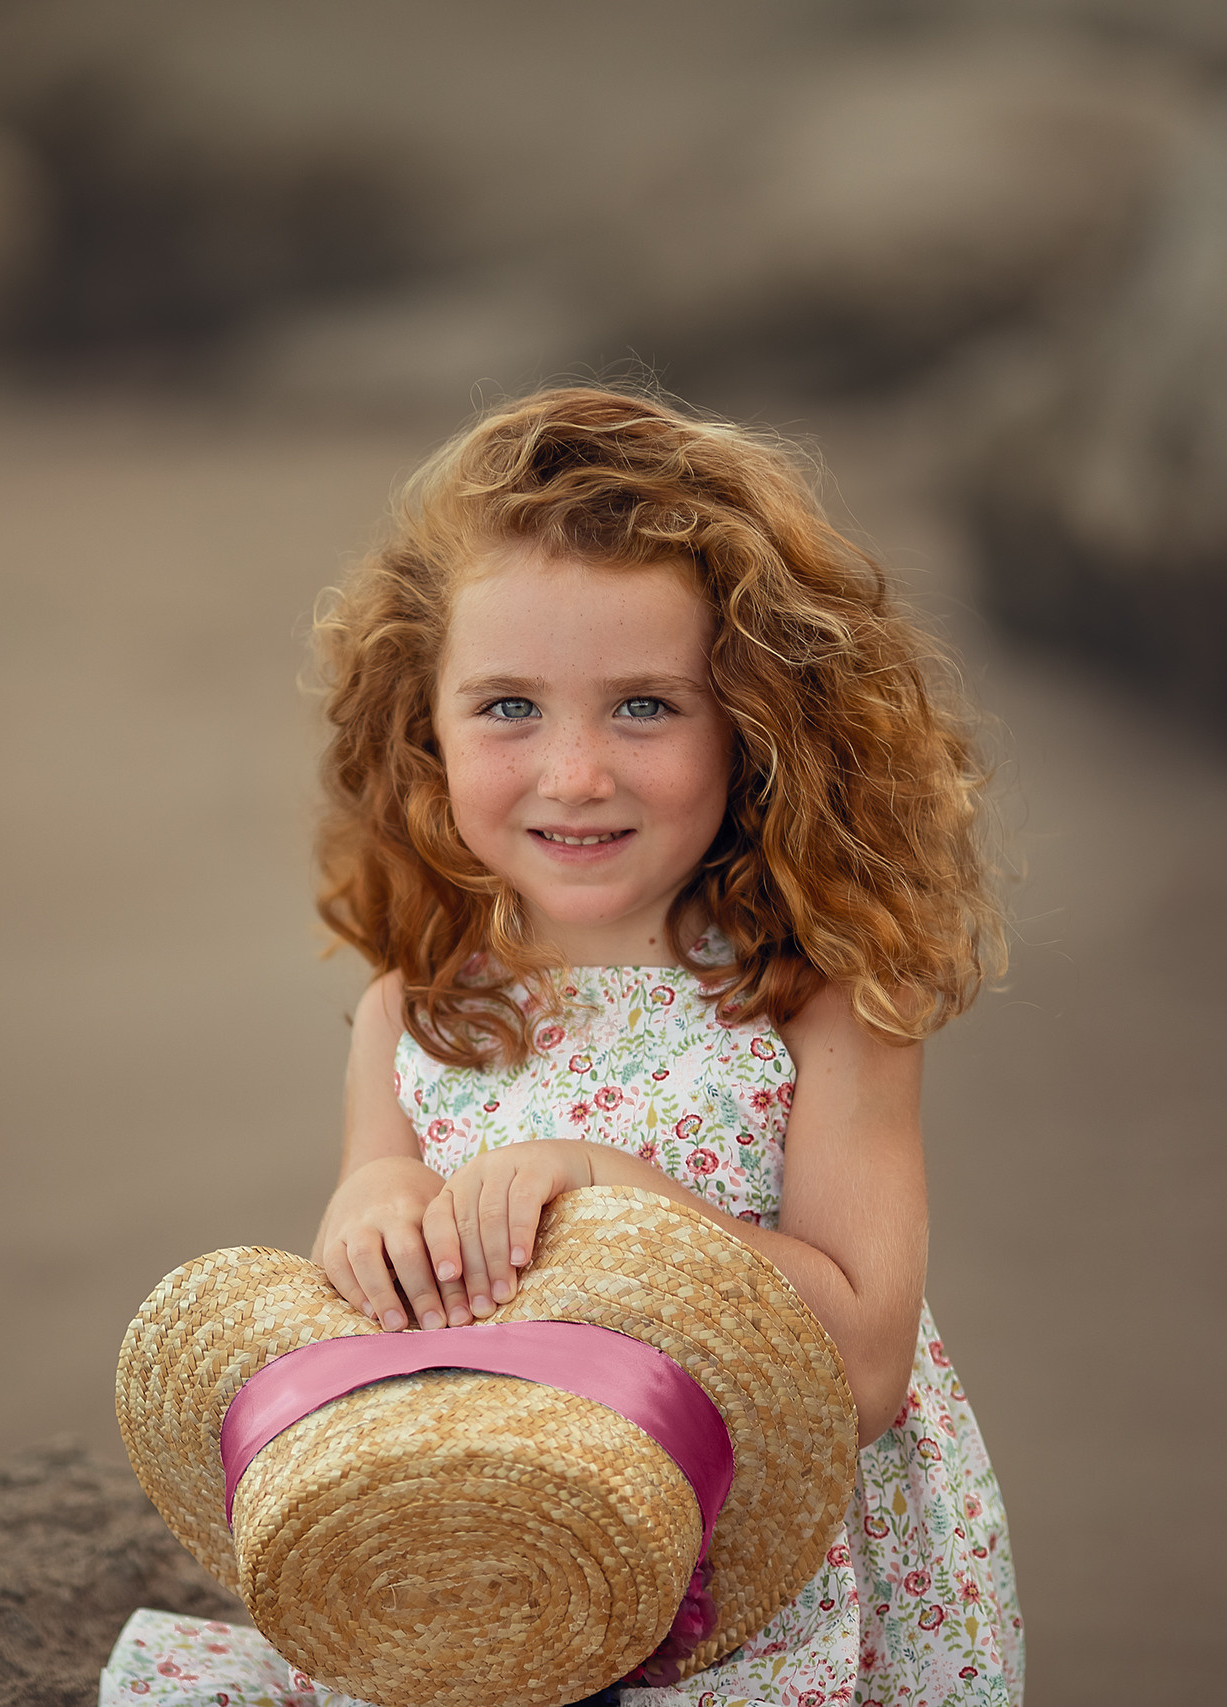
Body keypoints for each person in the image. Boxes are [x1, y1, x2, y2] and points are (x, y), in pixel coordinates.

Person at [101, 387, 1019, 1707]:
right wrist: (379, 1210)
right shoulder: (417, 1006)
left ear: (755, 724)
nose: (575, 772)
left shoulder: (821, 1000)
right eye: (508, 709)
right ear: (423, 724)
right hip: (514, 1543)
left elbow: (868, 1369)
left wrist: (620, 1196)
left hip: (761, 1561)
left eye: (645, 707)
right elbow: (370, 1225)